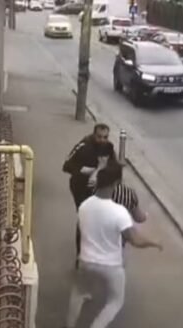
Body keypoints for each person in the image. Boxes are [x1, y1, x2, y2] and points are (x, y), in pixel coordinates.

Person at [66, 163, 163, 328]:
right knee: (115, 302)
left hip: (85, 260)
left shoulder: (84, 206)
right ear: (116, 183)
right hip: (111, 265)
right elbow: (135, 240)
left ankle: (68, 325)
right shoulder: (119, 212)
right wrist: (154, 242)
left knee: (79, 293)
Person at [63, 124, 117, 259]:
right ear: (94, 135)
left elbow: (113, 166)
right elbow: (67, 165)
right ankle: (80, 254)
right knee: (84, 218)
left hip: (98, 189)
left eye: (105, 137)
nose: (102, 140)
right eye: (99, 137)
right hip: (80, 187)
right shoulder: (84, 146)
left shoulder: (109, 147)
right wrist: (83, 170)